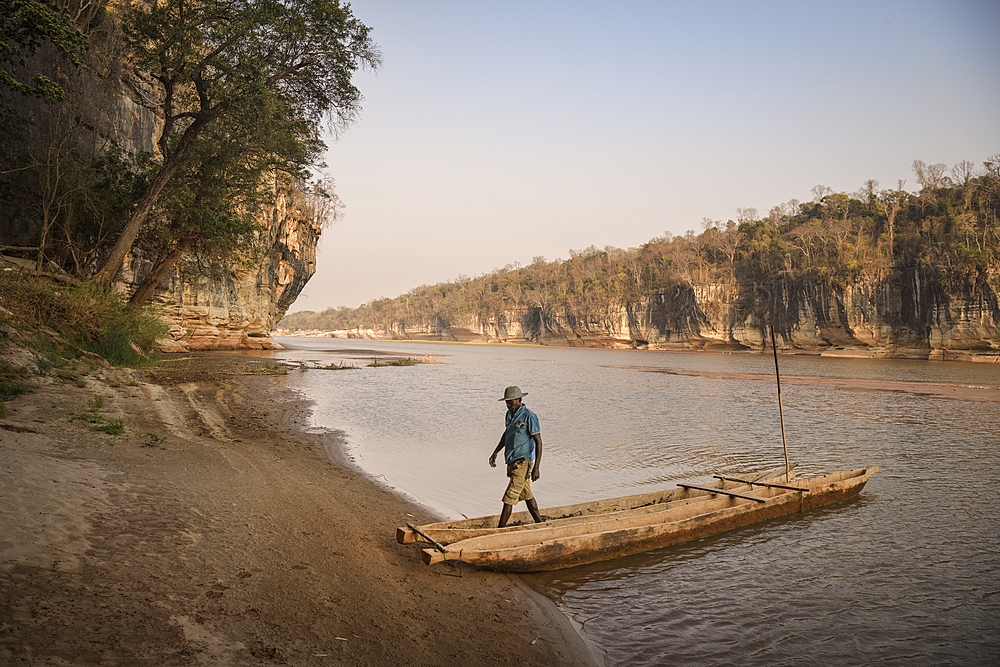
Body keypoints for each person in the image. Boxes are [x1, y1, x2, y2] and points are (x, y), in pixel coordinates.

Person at [488, 385, 544, 528]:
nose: (508, 405)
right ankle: (540, 524)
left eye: (511, 402)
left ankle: (500, 530)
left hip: (523, 462)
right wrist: (496, 452)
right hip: (512, 461)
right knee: (526, 494)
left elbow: (538, 442)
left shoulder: (529, 416)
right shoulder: (509, 414)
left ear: (519, 400)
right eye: (506, 402)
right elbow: (507, 434)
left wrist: (536, 467)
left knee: (510, 496)